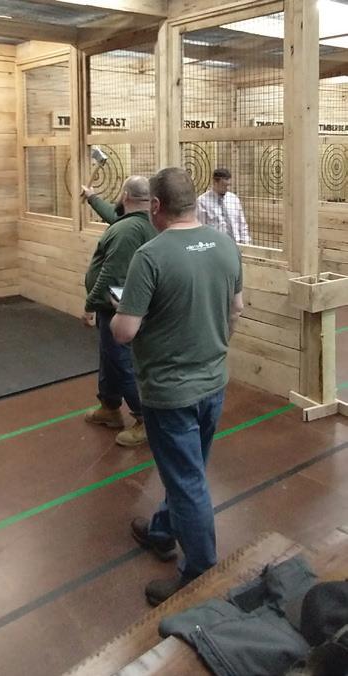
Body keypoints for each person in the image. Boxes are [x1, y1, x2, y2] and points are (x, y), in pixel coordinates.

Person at [111, 167, 244, 606]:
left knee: (187, 481)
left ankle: (200, 574)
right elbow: (236, 309)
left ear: (156, 206)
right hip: (213, 383)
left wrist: (114, 313)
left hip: (170, 393)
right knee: (188, 471)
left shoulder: (150, 255)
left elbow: (125, 331)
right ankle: (163, 531)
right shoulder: (225, 245)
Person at [81, 176, 156, 446]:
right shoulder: (139, 223)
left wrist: (90, 305)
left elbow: (110, 276)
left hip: (117, 306)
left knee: (121, 361)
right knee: (110, 358)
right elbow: (116, 218)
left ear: (125, 196)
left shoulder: (126, 230)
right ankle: (110, 407)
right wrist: (92, 197)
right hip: (120, 305)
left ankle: (145, 419)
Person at [197, 167, 251, 245]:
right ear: (215, 182)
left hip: (236, 243)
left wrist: (246, 243)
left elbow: (242, 224)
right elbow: (201, 228)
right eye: (224, 185)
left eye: (229, 185)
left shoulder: (234, 199)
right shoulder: (202, 201)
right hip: (216, 245)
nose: (227, 188)